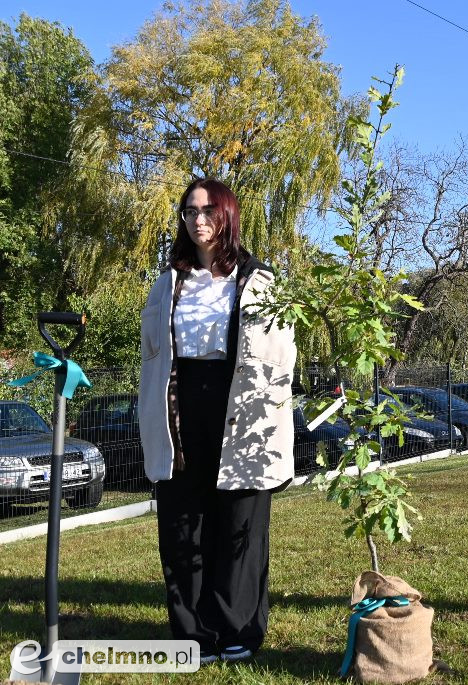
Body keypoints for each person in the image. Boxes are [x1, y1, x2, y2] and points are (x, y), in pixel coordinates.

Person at [139, 178, 296, 665]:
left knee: (238, 523)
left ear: (227, 215)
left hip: (241, 408)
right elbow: (152, 354)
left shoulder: (260, 280)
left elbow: (283, 356)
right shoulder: (168, 282)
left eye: (208, 210)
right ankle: (193, 632)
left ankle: (237, 630)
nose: (198, 219)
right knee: (184, 520)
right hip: (180, 407)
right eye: (189, 211)